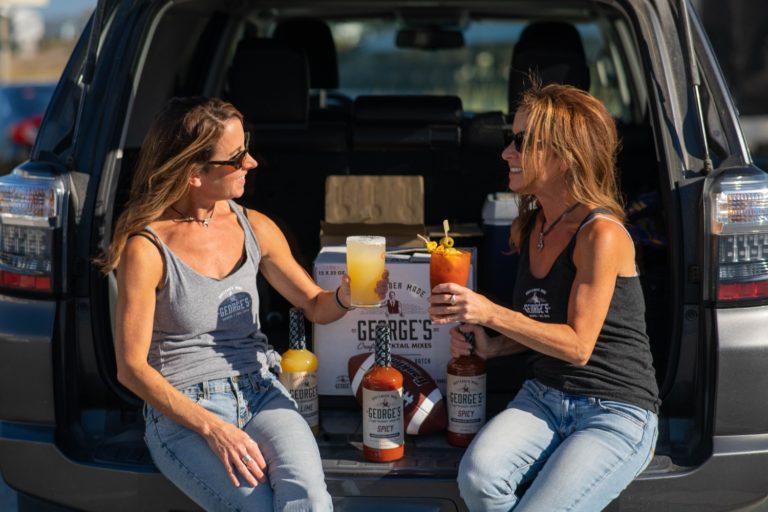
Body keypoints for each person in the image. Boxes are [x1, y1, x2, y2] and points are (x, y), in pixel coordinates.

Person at [98, 97, 387, 511]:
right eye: (235, 158)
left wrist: (347, 295)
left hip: (261, 390)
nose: (251, 162)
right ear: (194, 173)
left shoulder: (254, 226)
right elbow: (131, 369)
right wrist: (213, 429)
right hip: (186, 410)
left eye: (246, 148)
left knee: (309, 500)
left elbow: (314, 304)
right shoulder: (147, 249)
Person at [428, 83, 660, 512]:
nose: (506, 153)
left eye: (521, 141)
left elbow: (578, 345)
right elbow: (544, 321)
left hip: (615, 410)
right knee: (478, 479)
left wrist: (490, 313)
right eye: (509, 139)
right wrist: (493, 347)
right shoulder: (535, 224)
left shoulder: (601, 234)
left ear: (565, 155)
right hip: (544, 394)